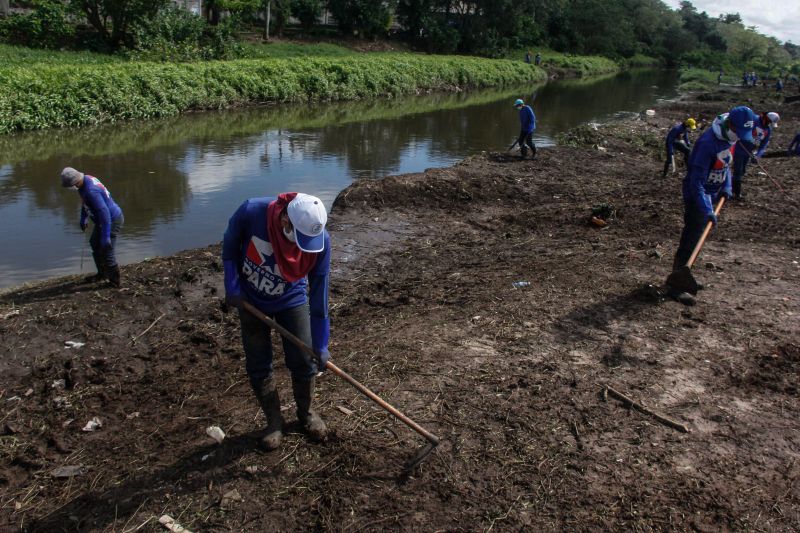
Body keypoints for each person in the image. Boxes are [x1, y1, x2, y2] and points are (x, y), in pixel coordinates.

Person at [222, 192, 331, 450]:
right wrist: (232, 285)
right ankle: (273, 421)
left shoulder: (321, 242)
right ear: (285, 220)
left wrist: (322, 342)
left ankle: (305, 414)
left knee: (304, 361)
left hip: (290, 297)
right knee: (258, 362)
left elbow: (319, 296)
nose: (301, 245)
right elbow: (229, 246)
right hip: (250, 300)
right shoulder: (252, 211)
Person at [666, 106, 756, 305]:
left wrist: (727, 187)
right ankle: (675, 285)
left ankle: (686, 275)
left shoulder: (729, 138)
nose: (740, 136)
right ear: (731, 124)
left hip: (712, 195)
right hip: (697, 197)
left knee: (699, 238)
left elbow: (726, 166)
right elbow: (695, 182)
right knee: (691, 239)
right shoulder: (708, 143)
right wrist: (706, 209)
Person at [60, 167, 124, 287]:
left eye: (70, 185)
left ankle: (115, 282)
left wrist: (105, 236)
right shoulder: (85, 181)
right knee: (95, 243)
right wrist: (83, 217)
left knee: (106, 249)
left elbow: (104, 213)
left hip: (111, 220)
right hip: (102, 221)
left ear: (75, 182)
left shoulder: (91, 191)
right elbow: (85, 202)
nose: (70, 188)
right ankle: (102, 273)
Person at [732, 111, 779, 199]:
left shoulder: (767, 130)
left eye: (770, 123)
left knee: (742, 171)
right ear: (765, 118)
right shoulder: (753, 120)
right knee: (738, 171)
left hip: (748, 152)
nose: (768, 124)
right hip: (739, 148)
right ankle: (736, 193)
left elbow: (763, 145)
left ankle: (731, 187)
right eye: (769, 122)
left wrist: (758, 155)